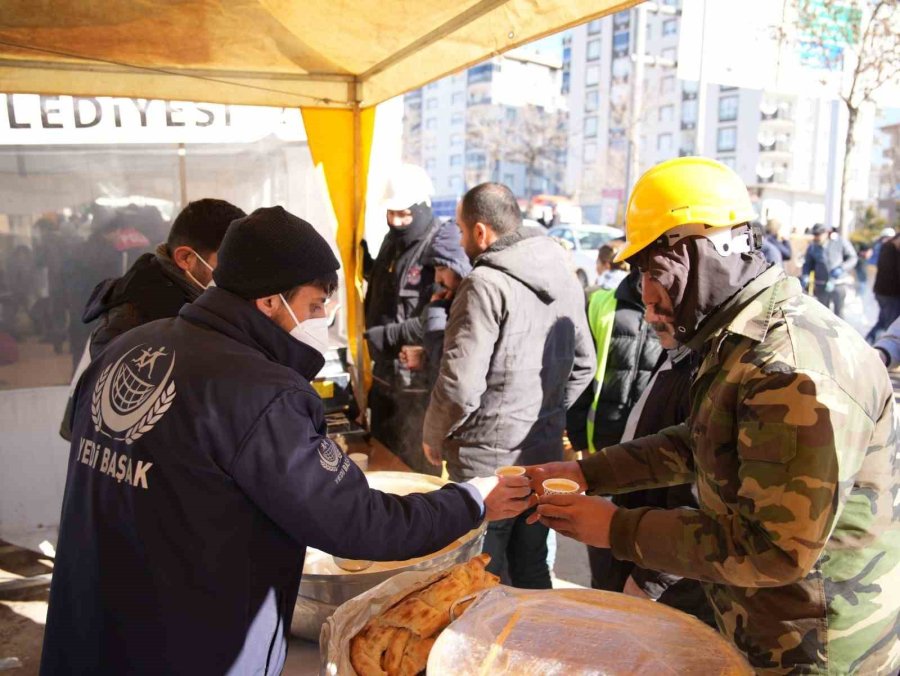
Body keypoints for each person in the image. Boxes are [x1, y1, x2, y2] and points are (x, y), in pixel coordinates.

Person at [41, 206, 531, 676]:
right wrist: (471, 500)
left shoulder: (128, 346)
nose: (321, 319)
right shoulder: (259, 392)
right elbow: (358, 522)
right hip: (190, 651)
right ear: (269, 301)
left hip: (87, 633)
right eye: (314, 305)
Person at [528, 157, 899, 675]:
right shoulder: (739, 339)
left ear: (703, 256)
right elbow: (700, 440)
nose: (646, 295)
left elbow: (775, 550)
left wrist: (617, 528)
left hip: (815, 650)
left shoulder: (790, 367)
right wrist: (589, 473)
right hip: (766, 627)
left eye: (655, 272)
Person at [423, 183, 595, 588]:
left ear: (481, 231)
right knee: (531, 568)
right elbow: (585, 364)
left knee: (479, 579)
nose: (461, 242)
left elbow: (460, 386)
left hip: (486, 471)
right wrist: (545, 416)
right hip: (543, 459)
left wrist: (432, 435)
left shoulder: (484, 284)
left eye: (462, 231)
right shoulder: (564, 275)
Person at [58, 199, 246, 440]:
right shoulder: (136, 314)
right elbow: (103, 421)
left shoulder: (194, 301)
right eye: (228, 262)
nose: (239, 275)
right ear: (186, 258)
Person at [363, 164, 444, 474]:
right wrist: (368, 267)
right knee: (382, 463)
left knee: (415, 472)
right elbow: (392, 288)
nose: (396, 221)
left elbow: (441, 314)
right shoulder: (391, 240)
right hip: (384, 378)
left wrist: (390, 335)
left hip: (417, 387)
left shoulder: (438, 248)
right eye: (391, 213)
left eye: (404, 214)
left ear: (422, 208)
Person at [397, 221, 473, 389]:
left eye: (442, 268)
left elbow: (455, 370)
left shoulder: (475, 306)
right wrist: (425, 357)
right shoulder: (454, 300)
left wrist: (436, 313)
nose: (437, 279)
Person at [800, 222, 857, 318]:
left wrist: (842, 268)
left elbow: (853, 258)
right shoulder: (813, 247)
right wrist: (805, 275)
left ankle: (839, 328)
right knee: (823, 314)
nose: (816, 237)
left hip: (838, 283)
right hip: (821, 285)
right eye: (814, 235)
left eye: (818, 235)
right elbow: (808, 264)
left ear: (826, 233)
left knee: (839, 314)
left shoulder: (839, 242)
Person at [867, 229, 900, 343]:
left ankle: (869, 341)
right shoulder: (890, 249)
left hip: (885, 293)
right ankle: (876, 345)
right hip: (889, 294)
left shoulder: (888, 247)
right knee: (891, 326)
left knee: (883, 321)